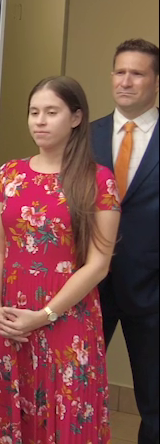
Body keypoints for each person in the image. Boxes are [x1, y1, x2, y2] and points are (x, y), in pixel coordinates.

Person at [0, 76, 120, 443]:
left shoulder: (97, 180)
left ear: (76, 118)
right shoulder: (10, 174)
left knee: (65, 415)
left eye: (51, 112)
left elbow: (99, 264)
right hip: (9, 317)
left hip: (66, 316)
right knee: (9, 414)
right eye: (34, 112)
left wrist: (44, 315)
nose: (40, 121)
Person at [90, 38, 159, 444]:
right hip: (88, 288)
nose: (126, 81)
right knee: (77, 390)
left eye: (137, 73)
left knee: (154, 403)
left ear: (156, 81)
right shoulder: (85, 135)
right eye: (120, 72)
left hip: (152, 291)